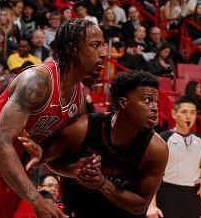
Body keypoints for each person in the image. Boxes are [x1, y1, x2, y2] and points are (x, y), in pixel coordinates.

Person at [0, 19, 107, 218]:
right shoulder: (37, 81)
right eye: (95, 45)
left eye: (103, 45)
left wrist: (71, 169)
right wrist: (36, 199)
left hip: (13, 178)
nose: (104, 53)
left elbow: (45, 157)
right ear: (72, 50)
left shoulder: (77, 97)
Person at [22, 70, 168, 218]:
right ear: (123, 103)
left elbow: (141, 206)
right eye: (147, 100)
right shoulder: (82, 128)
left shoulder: (156, 149)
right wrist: (72, 170)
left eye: (156, 102)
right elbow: (48, 160)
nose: (155, 108)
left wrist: (103, 184)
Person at [148, 96, 201, 218]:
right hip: (167, 192)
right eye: (184, 112)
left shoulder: (200, 140)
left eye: (192, 113)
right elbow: (150, 173)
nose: (189, 116)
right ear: (174, 114)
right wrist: (151, 205)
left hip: (193, 194)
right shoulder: (163, 138)